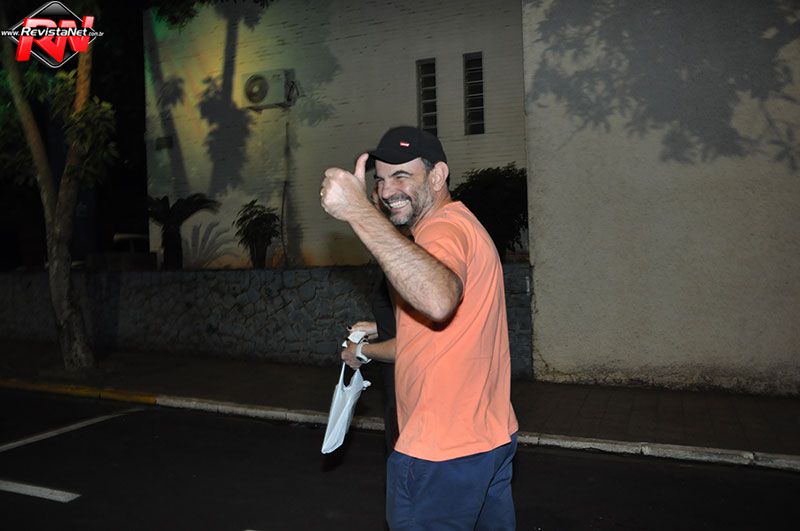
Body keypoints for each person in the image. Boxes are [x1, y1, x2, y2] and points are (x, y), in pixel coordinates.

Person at [321, 126, 518, 529]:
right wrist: (381, 328)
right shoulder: (461, 223)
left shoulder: (440, 232)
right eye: (380, 180)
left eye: (401, 176)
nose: (386, 190)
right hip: (488, 438)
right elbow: (449, 325)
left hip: (441, 451)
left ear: (438, 175)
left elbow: (440, 299)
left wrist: (358, 211)